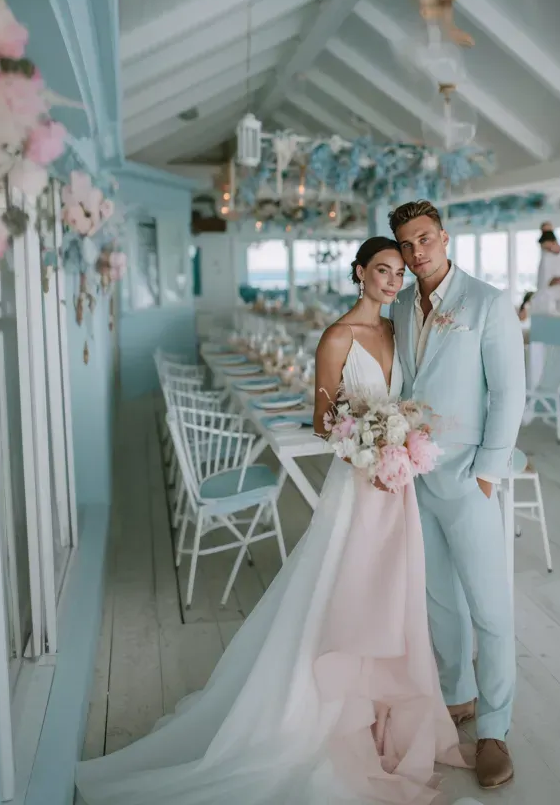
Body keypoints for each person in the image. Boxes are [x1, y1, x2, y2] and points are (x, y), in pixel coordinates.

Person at [75, 236, 472, 805]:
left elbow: (407, 399)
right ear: (359, 272)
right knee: (346, 589)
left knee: (394, 593)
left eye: (399, 272)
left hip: (398, 486)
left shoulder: (396, 332)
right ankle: (326, 712)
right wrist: (371, 444)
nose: (392, 280)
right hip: (360, 485)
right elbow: (322, 420)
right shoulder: (338, 337)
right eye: (381, 270)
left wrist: (403, 440)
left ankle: (384, 711)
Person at [390, 201, 526, 790]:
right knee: (439, 598)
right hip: (413, 477)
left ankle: (494, 728)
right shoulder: (399, 304)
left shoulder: (488, 303)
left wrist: (488, 474)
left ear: (444, 237)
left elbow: (509, 394)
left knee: (490, 609)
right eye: (408, 244)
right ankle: (458, 695)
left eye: (425, 239)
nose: (417, 252)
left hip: (469, 477)